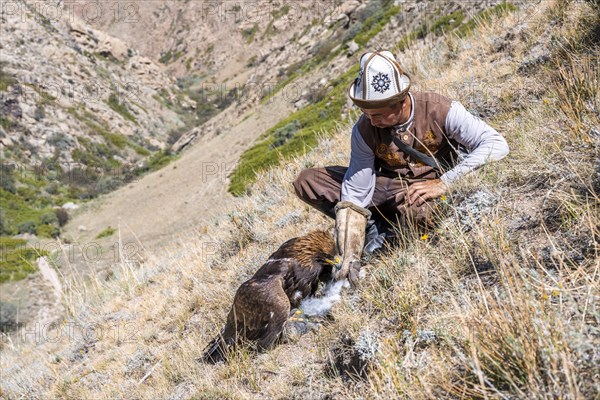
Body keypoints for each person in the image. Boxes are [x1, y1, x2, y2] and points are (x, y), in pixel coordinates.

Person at [293, 51, 509, 285]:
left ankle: (393, 232)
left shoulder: (441, 109)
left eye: (377, 114)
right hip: (385, 186)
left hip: (428, 189)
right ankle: (374, 228)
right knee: (308, 181)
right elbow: (356, 189)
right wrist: (351, 252)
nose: (371, 121)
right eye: (366, 113)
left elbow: (495, 144)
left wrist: (445, 182)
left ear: (400, 101)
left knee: (419, 213)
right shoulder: (364, 129)